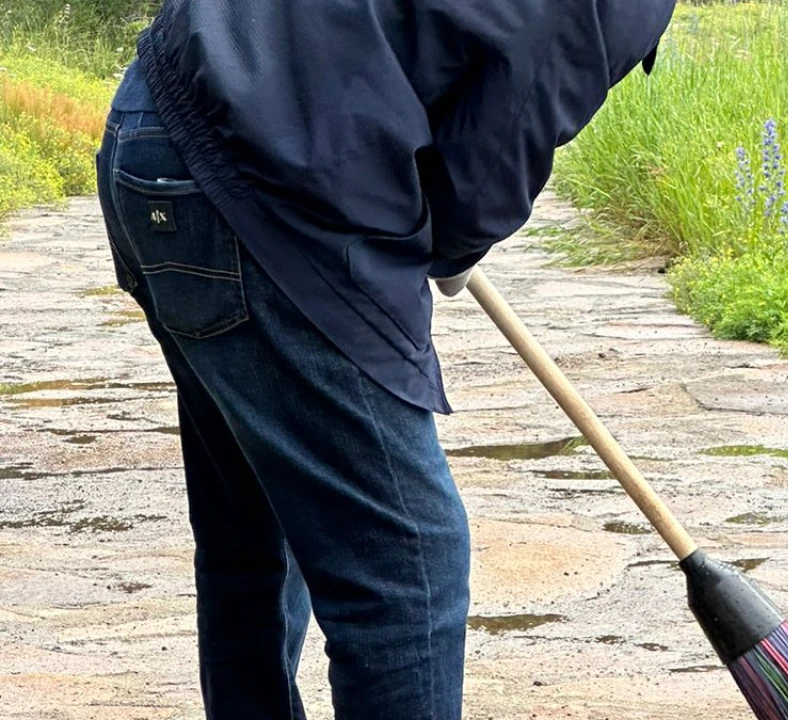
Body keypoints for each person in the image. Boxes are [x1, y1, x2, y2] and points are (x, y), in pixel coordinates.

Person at [94, 1, 676, 718]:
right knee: (407, 565)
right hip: (266, 175)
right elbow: (498, 150)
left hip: (155, 124)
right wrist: (458, 239)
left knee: (253, 532)